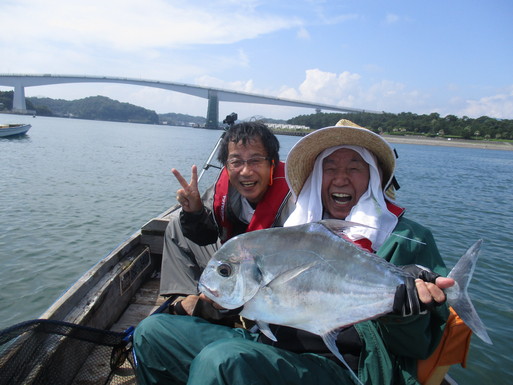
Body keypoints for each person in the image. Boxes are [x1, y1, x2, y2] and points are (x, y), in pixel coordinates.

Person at [134, 119, 453, 385]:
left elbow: (419, 346)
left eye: (354, 167)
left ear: (372, 175)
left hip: (344, 366)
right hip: (270, 344)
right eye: (330, 167)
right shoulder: (298, 226)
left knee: (222, 362)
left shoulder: (406, 238)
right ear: (317, 176)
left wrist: (403, 313)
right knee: (152, 333)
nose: (340, 177)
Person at [159, 120, 294, 316]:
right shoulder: (222, 189)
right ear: (226, 166)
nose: (246, 171)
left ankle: (213, 308)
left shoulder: (294, 200)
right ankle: (185, 296)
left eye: (256, 160)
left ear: (272, 164)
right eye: (236, 162)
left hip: (270, 279)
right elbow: (206, 236)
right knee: (176, 226)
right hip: (233, 263)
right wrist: (195, 211)